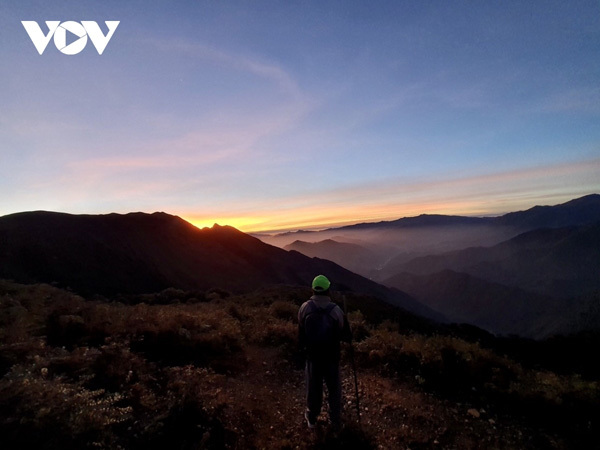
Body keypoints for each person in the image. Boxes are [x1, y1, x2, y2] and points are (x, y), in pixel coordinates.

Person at [298, 274, 352, 430]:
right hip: (331, 357)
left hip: (312, 357)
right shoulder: (336, 311)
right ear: (328, 290)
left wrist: (302, 352)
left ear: (313, 289)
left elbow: (301, 332)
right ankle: (335, 419)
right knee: (334, 389)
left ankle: (312, 418)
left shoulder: (305, 308)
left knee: (313, 388)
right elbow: (346, 336)